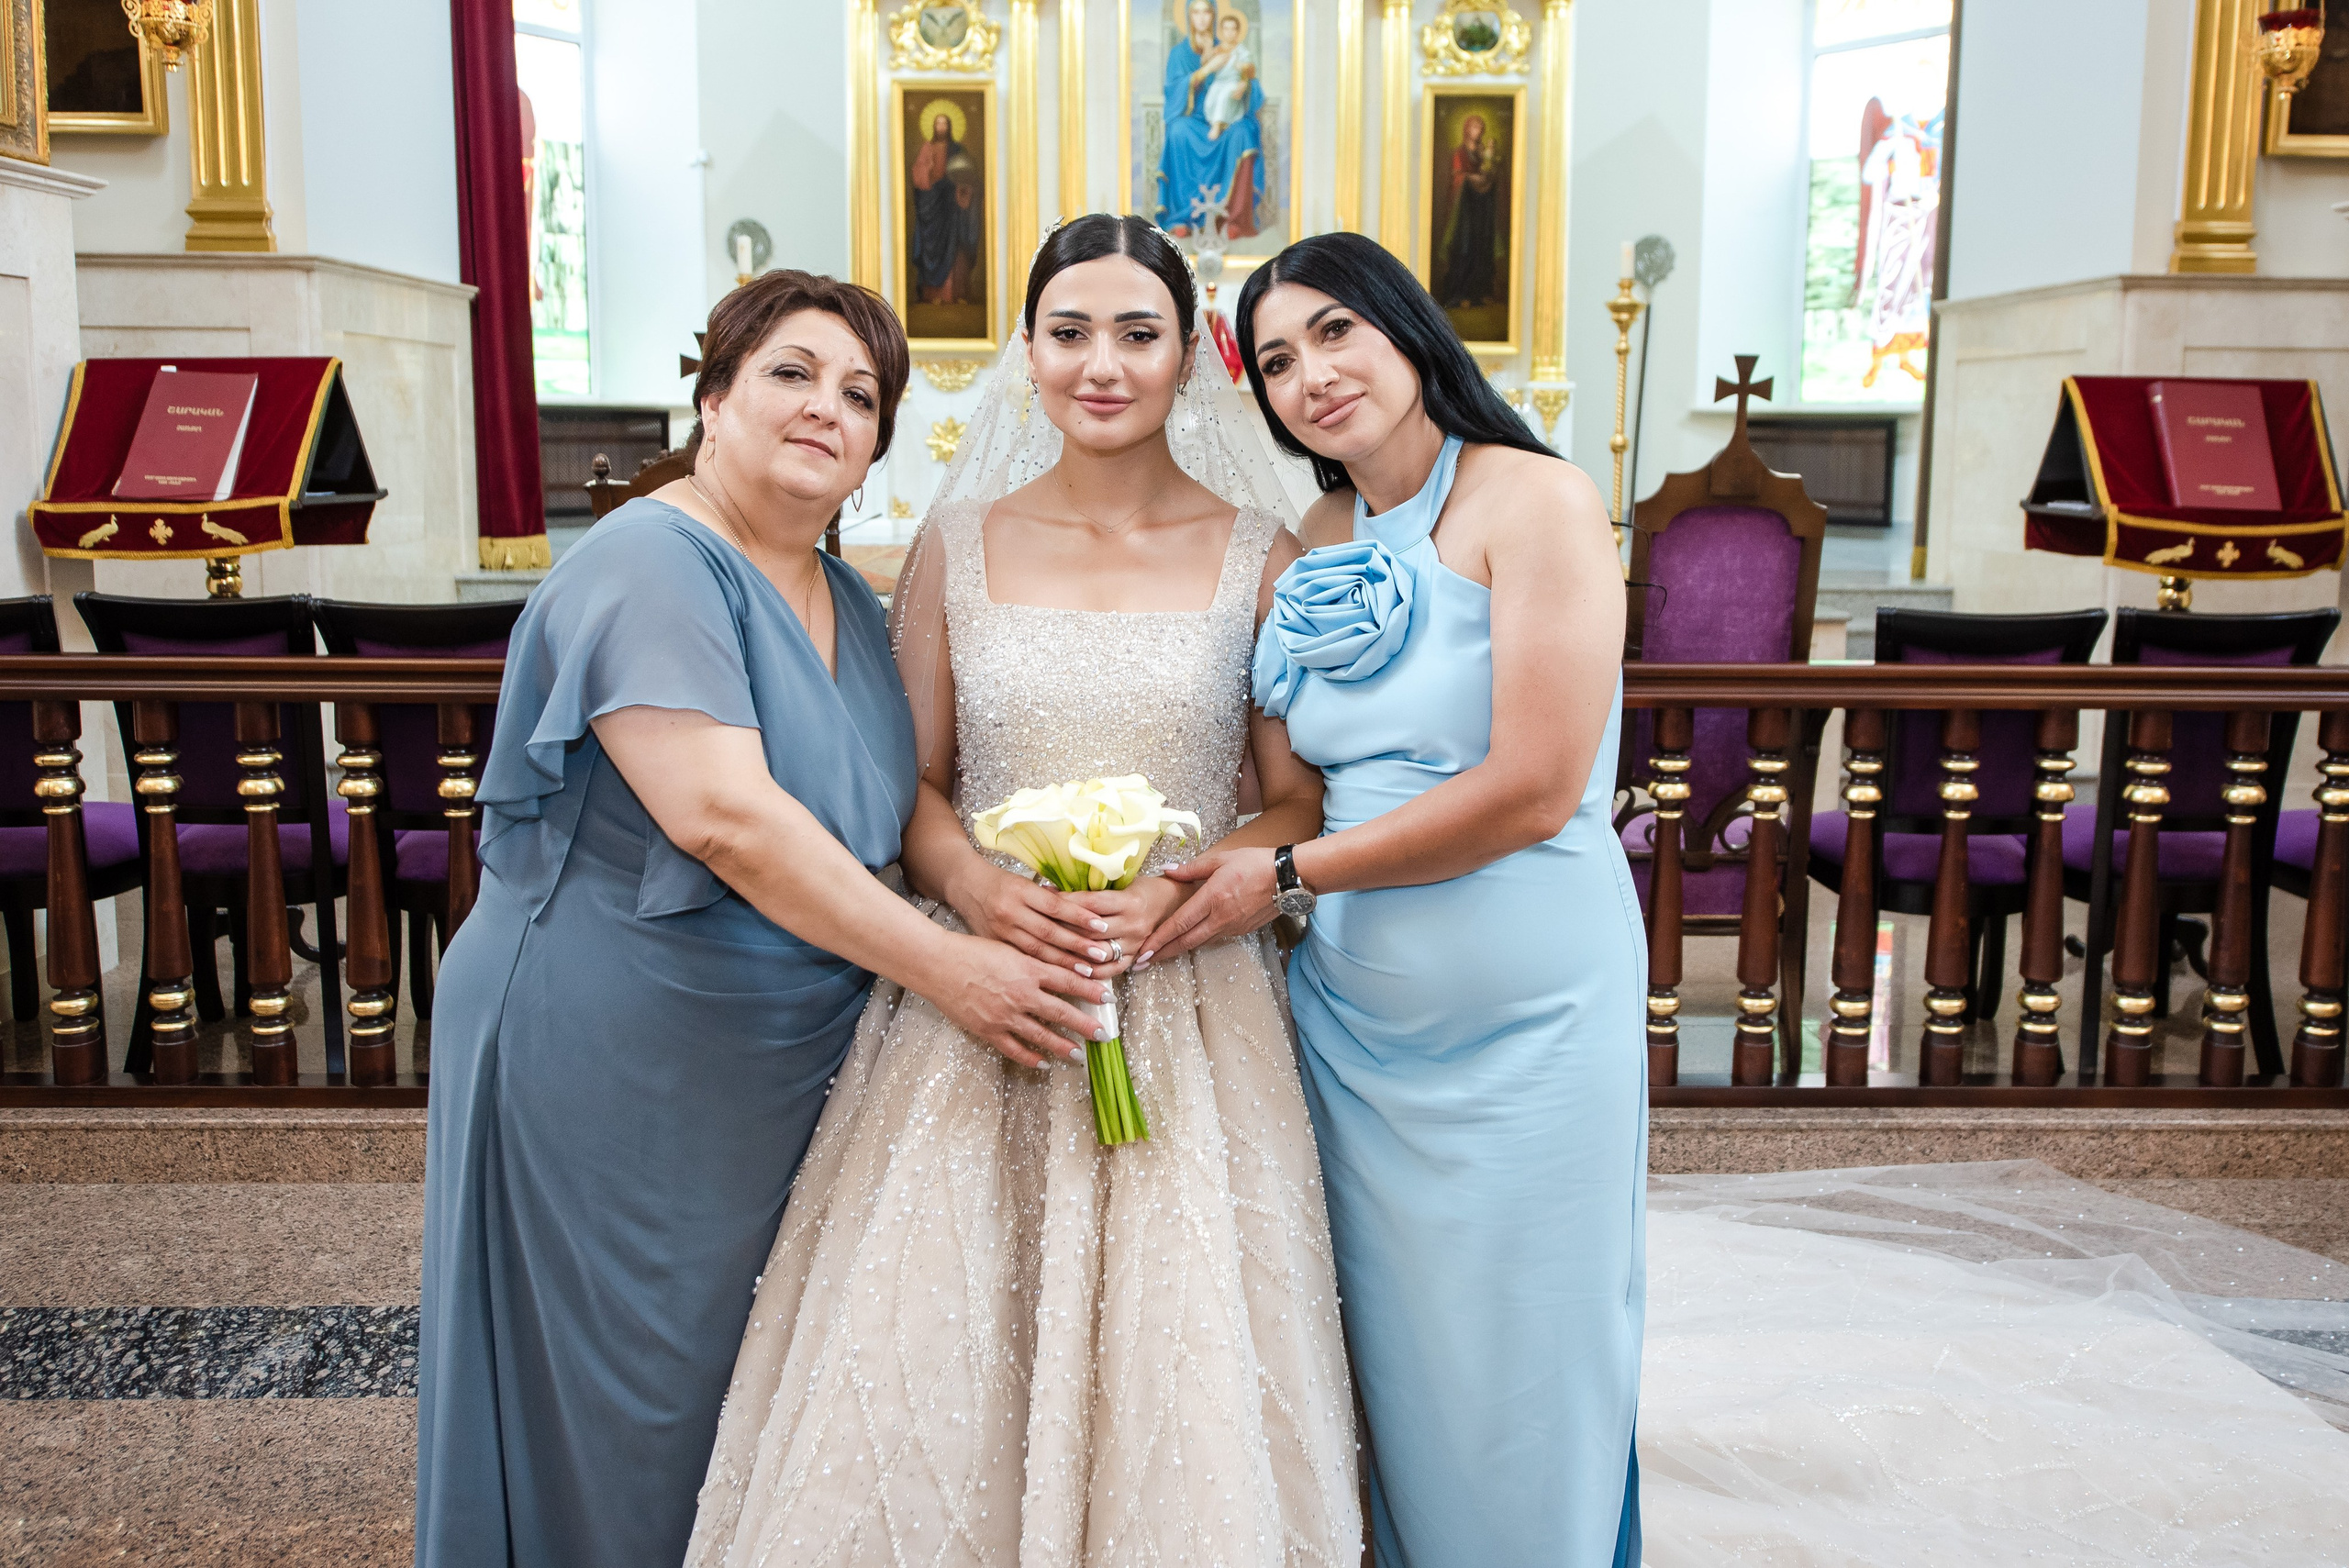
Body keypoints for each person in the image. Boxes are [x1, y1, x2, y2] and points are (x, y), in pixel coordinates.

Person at [686, 215, 1359, 1567]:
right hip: (978, 989)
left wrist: (1186, 889)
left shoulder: (1265, 554)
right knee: (940, 1334)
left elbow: (1297, 803)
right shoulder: (959, 539)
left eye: (1136, 334)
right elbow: (913, 786)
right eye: (1068, 333)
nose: (1100, 365)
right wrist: (981, 895)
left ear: (1192, 359)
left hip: (1186, 990)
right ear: (1028, 354)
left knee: (1182, 1352)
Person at [414, 271, 1109, 1568]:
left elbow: (898, 804)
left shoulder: (849, 601)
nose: (825, 410)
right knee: (627, 1393)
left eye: (861, 396)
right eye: (791, 373)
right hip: (618, 1043)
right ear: (714, 397)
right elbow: (725, 817)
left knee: (751, 1386)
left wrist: (986, 887)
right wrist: (954, 972)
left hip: (777, 1056)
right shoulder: (649, 562)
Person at [1152, 229, 1645, 1565]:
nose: (1309, 375)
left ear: (1407, 330)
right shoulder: (1317, 532)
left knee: (1526, 1343)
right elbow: (1293, 774)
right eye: (1274, 360)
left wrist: (1294, 875)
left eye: (1334, 333)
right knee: (1391, 1348)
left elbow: (1537, 785)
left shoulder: (1536, 499)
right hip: (1357, 1021)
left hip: (1530, 1010)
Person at [1159, 0, 1264, 237]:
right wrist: (1203, 72)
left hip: (1226, 118)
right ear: (1188, 16)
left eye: (1207, 12)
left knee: (1244, 133)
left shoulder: (1228, 47)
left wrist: (1243, 85)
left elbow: (1250, 80)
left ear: (1214, 16)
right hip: (1193, 118)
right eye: (1196, 12)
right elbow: (1173, 91)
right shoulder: (1179, 53)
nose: (1202, 18)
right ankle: (1182, 217)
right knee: (1177, 131)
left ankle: (1234, 220)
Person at [1435, 113, 1499, 309]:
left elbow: (1490, 176)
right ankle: (1458, 293)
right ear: (1466, 130)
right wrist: (1472, 178)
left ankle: (1477, 293)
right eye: (1473, 127)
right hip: (1463, 211)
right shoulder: (1459, 153)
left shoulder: (1483, 152)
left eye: (1480, 128)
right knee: (1462, 247)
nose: (1477, 131)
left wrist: (1488, 170)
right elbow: (1457, 177)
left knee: (1480, 248)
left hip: (1480, 208)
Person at [1200, 9, 1255, 140]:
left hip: (1233, 83)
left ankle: (1217, 126)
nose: (1229, 33)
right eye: (1226, 29)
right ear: (1221, 32)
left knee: (1224, 95)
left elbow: (1250, 68)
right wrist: (1207, 49)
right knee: (1212, 96)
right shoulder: (1218, 49)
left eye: (1233, 29)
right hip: (1219, 82)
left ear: (1237, 32)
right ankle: (1214, 121)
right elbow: (1205, 63)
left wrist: (1242, 66)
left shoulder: (1240, 50)